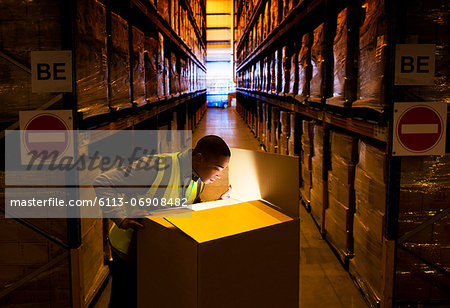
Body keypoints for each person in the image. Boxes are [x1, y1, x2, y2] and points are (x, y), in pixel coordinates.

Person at [94, 135, 231, 308]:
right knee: (125, 300)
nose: (220, 175)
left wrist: (220, 202)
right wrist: (120, 216)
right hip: (129, 250)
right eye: (218, 168)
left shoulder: (198, 178)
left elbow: (190, 207)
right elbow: (103, 182)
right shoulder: (156, 167)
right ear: (199, 158)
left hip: (156, 249)